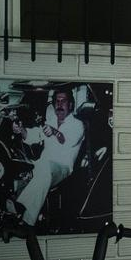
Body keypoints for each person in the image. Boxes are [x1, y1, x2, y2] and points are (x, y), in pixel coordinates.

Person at [13, 89, 85, 226]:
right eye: (57, 101)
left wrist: (54, 132)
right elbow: (34, 136)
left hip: (63, 169)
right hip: (42, 166)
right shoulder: (51, 121)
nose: (59, 104)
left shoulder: (78, 125)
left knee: (45, 168)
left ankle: (24, 216)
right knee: (19, 164)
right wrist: (21, 130)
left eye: (63, 101)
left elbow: (67, 141)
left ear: (70, 105)